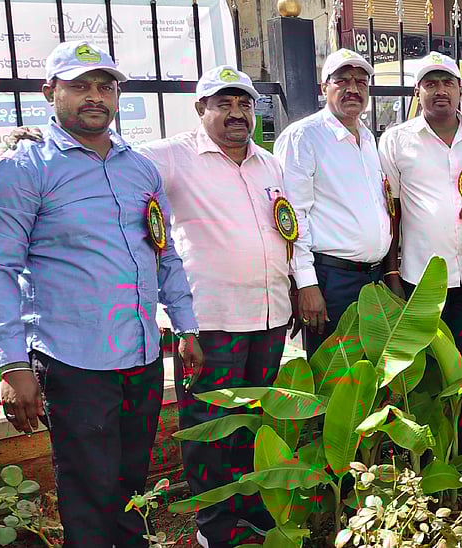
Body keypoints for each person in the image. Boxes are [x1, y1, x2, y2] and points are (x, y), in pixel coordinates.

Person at [0, 41, 204, 547]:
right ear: (49, 92)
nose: (95, 97)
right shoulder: (24, 170)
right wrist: (11, 365)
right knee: (88, 495)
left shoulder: (139, 168)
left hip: (142, 356)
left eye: (105, 86)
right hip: (75, 362)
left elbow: (164, 253)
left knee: (131, 488)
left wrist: (186, 325)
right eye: (80, 86)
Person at [138, 66, 294, 548]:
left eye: (244, 104)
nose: (236, 113)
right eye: (223, 104)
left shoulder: (268, 163)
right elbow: (109, 159)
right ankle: (214, 523)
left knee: (251, 422)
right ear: (200, 109)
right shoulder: (172, 156)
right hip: (210, 321)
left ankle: (250, 506)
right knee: (208, 426)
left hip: (269, 315)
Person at [378, 52, 462, 453]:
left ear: (460, 90)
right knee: (421, 372)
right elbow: (390, 210)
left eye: (447, 83)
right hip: (419, 282)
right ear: (417, 92)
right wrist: (391, 272)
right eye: (430, 84)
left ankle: (458, 451)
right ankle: (423, 457)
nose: (439, 91)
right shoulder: (396, 141)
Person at [275, 49, 398, 356]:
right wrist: (306, 284)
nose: (353, 89)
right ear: (324, 87)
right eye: (342, 81)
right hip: (331, 279)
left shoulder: (367, 139)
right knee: (335, 372)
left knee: (369, 370)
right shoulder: (304, 137)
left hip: (372, 279)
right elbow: (294, 216)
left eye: (361, 82)